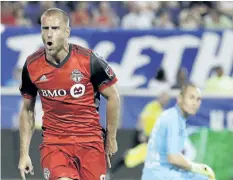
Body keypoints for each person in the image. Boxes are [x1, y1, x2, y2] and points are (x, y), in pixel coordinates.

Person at [18, 8, 120, 180]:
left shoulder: (88, 60)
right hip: (55, 144)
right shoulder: (32, 65)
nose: (49, 34)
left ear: (67, 32)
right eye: (45, 28)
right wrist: (24, 153)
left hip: (90, 142)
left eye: (55, 28)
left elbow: (113, 97)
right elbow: (27, 110)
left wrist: (111, 138)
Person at [142, 83, 216, 180]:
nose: (194, 103)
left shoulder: (176, 118)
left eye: (198, 99)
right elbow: (173, 158)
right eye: (191, 98)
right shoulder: (173, 119)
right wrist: (197, 168)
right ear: (180, 99)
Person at [111, 92, 170, 174]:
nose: (165, 101)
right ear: (160, 97)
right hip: (142, 135)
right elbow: (142, 118)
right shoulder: (153, 106)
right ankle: (112, 172)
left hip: (149, 138)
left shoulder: (162, 111)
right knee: (129, 154)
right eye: (164, 98)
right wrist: (141, 133)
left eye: (167, 99)